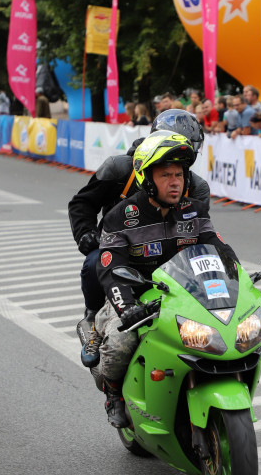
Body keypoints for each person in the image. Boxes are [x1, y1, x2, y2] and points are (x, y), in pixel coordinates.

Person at [93, 130, 240, 427]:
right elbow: (110, 270)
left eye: (179, 175)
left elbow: (222, 252)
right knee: (121, 343)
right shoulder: (120, 217)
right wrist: (127, 308)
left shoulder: (195, 212)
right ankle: (113, 394)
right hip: (135, 296)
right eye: (166, 175)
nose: (175, 182)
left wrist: (250, 291)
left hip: (185, 295)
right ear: (147, 179)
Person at [68, 109, 209, 364]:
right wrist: (85, 233)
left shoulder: (196, 187)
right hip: (119, 252)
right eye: (165, 171)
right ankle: (93, 321)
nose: (173, 177)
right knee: (93, 262)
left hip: (170, 263)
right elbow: (81, 204)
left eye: (178, 168)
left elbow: (205, 239)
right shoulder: (118, 168)